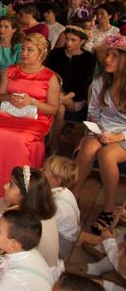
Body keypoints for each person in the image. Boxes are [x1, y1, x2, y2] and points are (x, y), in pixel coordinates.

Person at [0, 33, 60, 199]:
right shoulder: (11, 70)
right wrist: (9, 98)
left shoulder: (50, 77)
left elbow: (53, 109)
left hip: (36, 119)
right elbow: (0, 95)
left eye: (30, 50)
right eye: (23, 49)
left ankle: (20, 191)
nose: (24, 53)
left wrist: (32, 101)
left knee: (20, 139)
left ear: (41, 53)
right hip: (8, 114)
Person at [73, 35, 126, 234]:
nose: (107, 60)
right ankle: (71, 199)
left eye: (114, 56)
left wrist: (117, 137)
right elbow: (93, 112)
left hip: (124, 135)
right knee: (87, 150)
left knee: (107, 155)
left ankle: (108, 210)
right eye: (107, 55)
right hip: (103, 129)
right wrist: (100, 130)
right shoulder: (100, 81)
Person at [46, 26, 96, 151]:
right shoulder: (56, 54)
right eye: (67, 39)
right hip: (53, 93)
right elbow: (47, 75)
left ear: (82, 41)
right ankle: (54, 142)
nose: (68, 43)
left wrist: (65, 97)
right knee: (60, 108)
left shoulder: (88, 59)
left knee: (61, 104)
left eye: (73, 40)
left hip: (75, 98)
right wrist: (57, 95)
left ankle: (51, 141)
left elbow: (84, 85)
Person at [43, 155, 81, 259]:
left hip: (60, 244)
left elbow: (42, 225)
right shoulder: (65, 191)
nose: (40, 171)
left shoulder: (58, 207)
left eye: (44, 170)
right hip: (59, 233)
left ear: (56, 181)